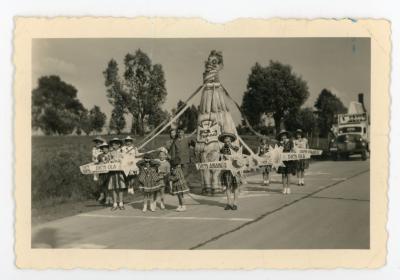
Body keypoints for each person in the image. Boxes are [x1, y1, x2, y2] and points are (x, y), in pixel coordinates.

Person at [219, 132, 241, 210]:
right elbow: (220, 160)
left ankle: (235, 203)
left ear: (231, 141)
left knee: (235, 186)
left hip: (235, 170)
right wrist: (222, 157)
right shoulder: (222, 150)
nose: (227, 143)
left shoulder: (235, 148)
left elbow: (239, 158)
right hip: (227, 171)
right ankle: (228, 203)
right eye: (225, 141)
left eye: (228, 141)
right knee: (227, 186)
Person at [107, 138, 127, 211]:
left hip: (120, 172)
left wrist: (120, 160)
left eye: (116, 143)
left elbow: (126, 160)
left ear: (119, 145)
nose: (114, 145)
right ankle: (115, 203)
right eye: (113, 143)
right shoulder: (110, 153)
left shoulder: (122, 152)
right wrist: (110, 160)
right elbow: (107, 160)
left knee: (121, 188)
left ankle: (121, 203)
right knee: (113, 188)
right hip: (112, 173)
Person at [276, 130, 296, 195]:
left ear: (286, 135)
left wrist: (292, 154)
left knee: (288, 174)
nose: (283, 136)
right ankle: (284, 188)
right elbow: (277, 151)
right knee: (283, 174)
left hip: (289, 160)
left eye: (284, 135)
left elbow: (292, 150)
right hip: (282, 160)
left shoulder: (290, 141)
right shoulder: (279, 143)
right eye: (282, 135)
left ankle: (288, 188)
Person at [92, 136, 105, 201]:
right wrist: (95, 161)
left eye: (99, 142)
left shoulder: (103, 148)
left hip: (103, 166)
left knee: (105, 180)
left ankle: (107, 195)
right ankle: (102, 194)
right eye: (96, 142)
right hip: (97, 166)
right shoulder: (94, 149)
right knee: (99, 181)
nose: (97, 143)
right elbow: (93, 157)